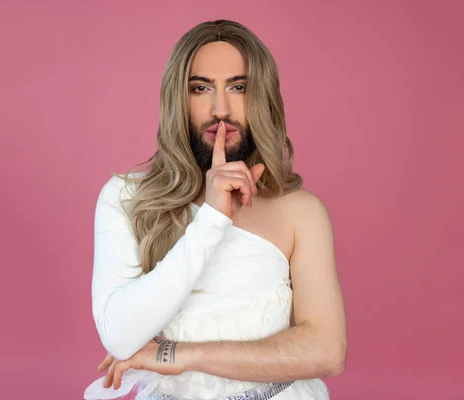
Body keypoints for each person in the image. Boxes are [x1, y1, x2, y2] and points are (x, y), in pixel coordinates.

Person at [83, 19, 347, 400]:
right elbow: (120, 336)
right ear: (178, 97)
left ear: (262, 98)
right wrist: (211, 218)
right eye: (200, 88)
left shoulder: (300, 211)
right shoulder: (126, 197)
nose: (220, 109)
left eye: (239, 87)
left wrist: (182, 355)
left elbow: (327, 351)